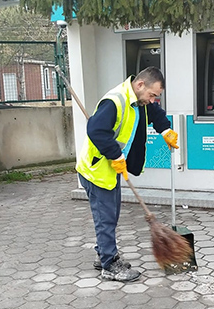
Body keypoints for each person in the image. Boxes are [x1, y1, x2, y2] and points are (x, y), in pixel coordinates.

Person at [76, 67, 178, 282]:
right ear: (140, 85)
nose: (152, 100)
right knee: (106, 218)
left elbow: (153, 112)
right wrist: (115, 155)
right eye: (152, 95)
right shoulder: (115, 101)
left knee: (110, 215)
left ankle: (103, 252)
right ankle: (109, 264)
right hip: (97, 170)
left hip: (110, 169)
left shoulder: (138, 101)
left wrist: (165, 130)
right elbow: (95, 130)